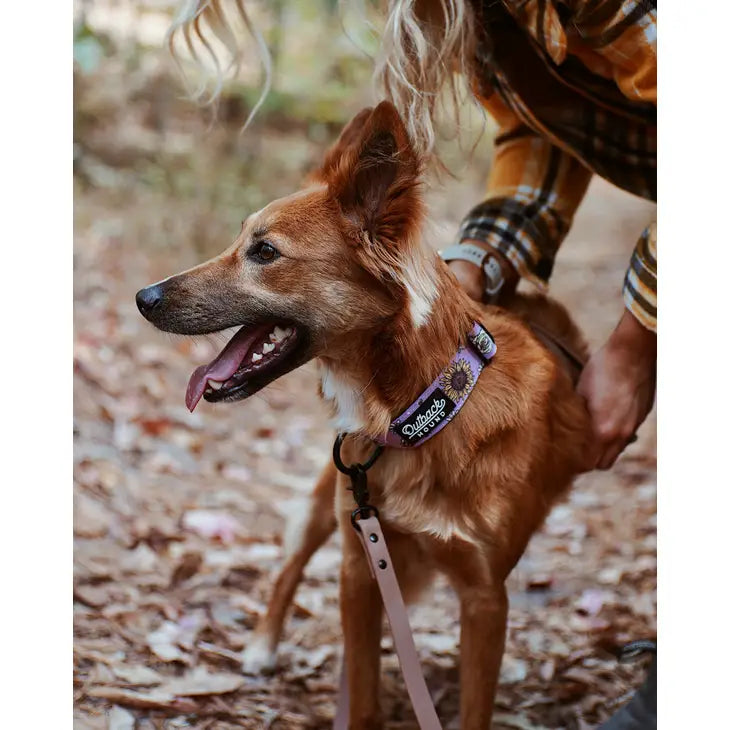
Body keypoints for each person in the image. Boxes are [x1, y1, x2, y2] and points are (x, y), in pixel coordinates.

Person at [169, 1, 657, 725]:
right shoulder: (493, 31)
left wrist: (639, 335)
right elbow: (545, 130)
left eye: (265, 255)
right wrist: (482, 258)